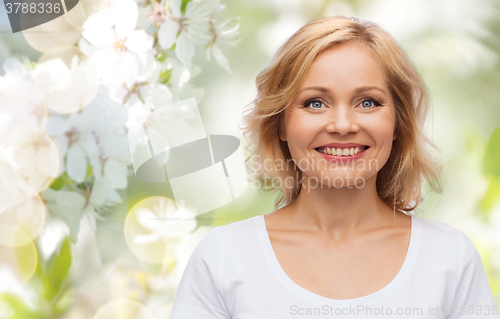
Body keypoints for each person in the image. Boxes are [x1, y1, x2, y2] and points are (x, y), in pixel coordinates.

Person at [169, 16, 499, 319]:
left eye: (367, 102)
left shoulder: (450, 258)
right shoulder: (223, 258)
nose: (342, 125)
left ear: (398, 124)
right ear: (281, 124)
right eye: (315, 103)